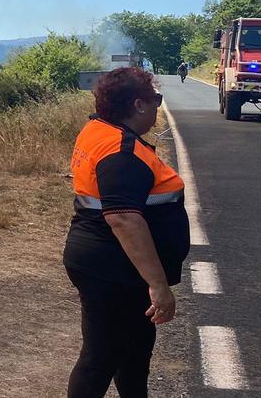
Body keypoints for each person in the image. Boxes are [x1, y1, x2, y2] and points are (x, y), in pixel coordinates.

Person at [62, 67, 190, 397]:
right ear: (138, 105)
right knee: (100, 358)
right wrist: (159, 285)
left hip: (110, 265)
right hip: (112, 269)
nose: (158, 106)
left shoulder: (98, 130)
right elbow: (123, 219)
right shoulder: (121, 152)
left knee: (134, 351)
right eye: (156, 100)